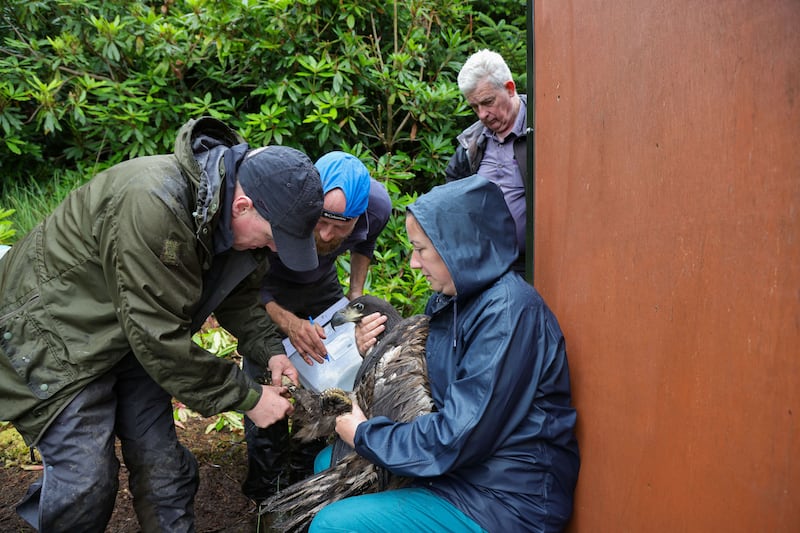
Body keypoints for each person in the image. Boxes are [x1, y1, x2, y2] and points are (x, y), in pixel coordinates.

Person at [0, 116, 324, 532]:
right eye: (272, 238)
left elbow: (239, 297)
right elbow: (158, 338)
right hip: (56, 337)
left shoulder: (231, 212)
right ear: (243, 207)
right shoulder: (153, 203)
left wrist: (271, 350)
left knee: (166, 471)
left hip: (132, 338)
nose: (273, 248)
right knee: (86, 481)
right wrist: (249, 397)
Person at [311, 175, 580, 532]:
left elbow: (459, 436)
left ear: (460, 246)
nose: (412, 263)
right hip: (464, 473)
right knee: (327, 462)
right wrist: (378, 353)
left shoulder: (509, 314)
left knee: (333, 524)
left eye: (420, 249)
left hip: (504, 499)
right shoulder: (455, 300)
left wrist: (364, 433)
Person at [241, 150, 392, 501]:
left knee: (333, 365)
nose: (325, 235)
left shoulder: (378, 205)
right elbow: (245, 287)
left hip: (323, 286)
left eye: (340, 228)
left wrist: (354, 298)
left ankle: (309, 462)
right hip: (266, 285)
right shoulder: (284, 198)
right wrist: (289, 323)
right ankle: (268, 484)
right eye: (319, 221)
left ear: (359, 216)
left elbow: (364, 246)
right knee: (268, 374)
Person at [445, 49, 528, 273]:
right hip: (482, 265)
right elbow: (451, 192)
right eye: (475, 107)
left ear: (510, 88)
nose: (482, 114)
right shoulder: (471, 142)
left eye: (488, 102)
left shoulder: (542, 127)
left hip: (533, 266)